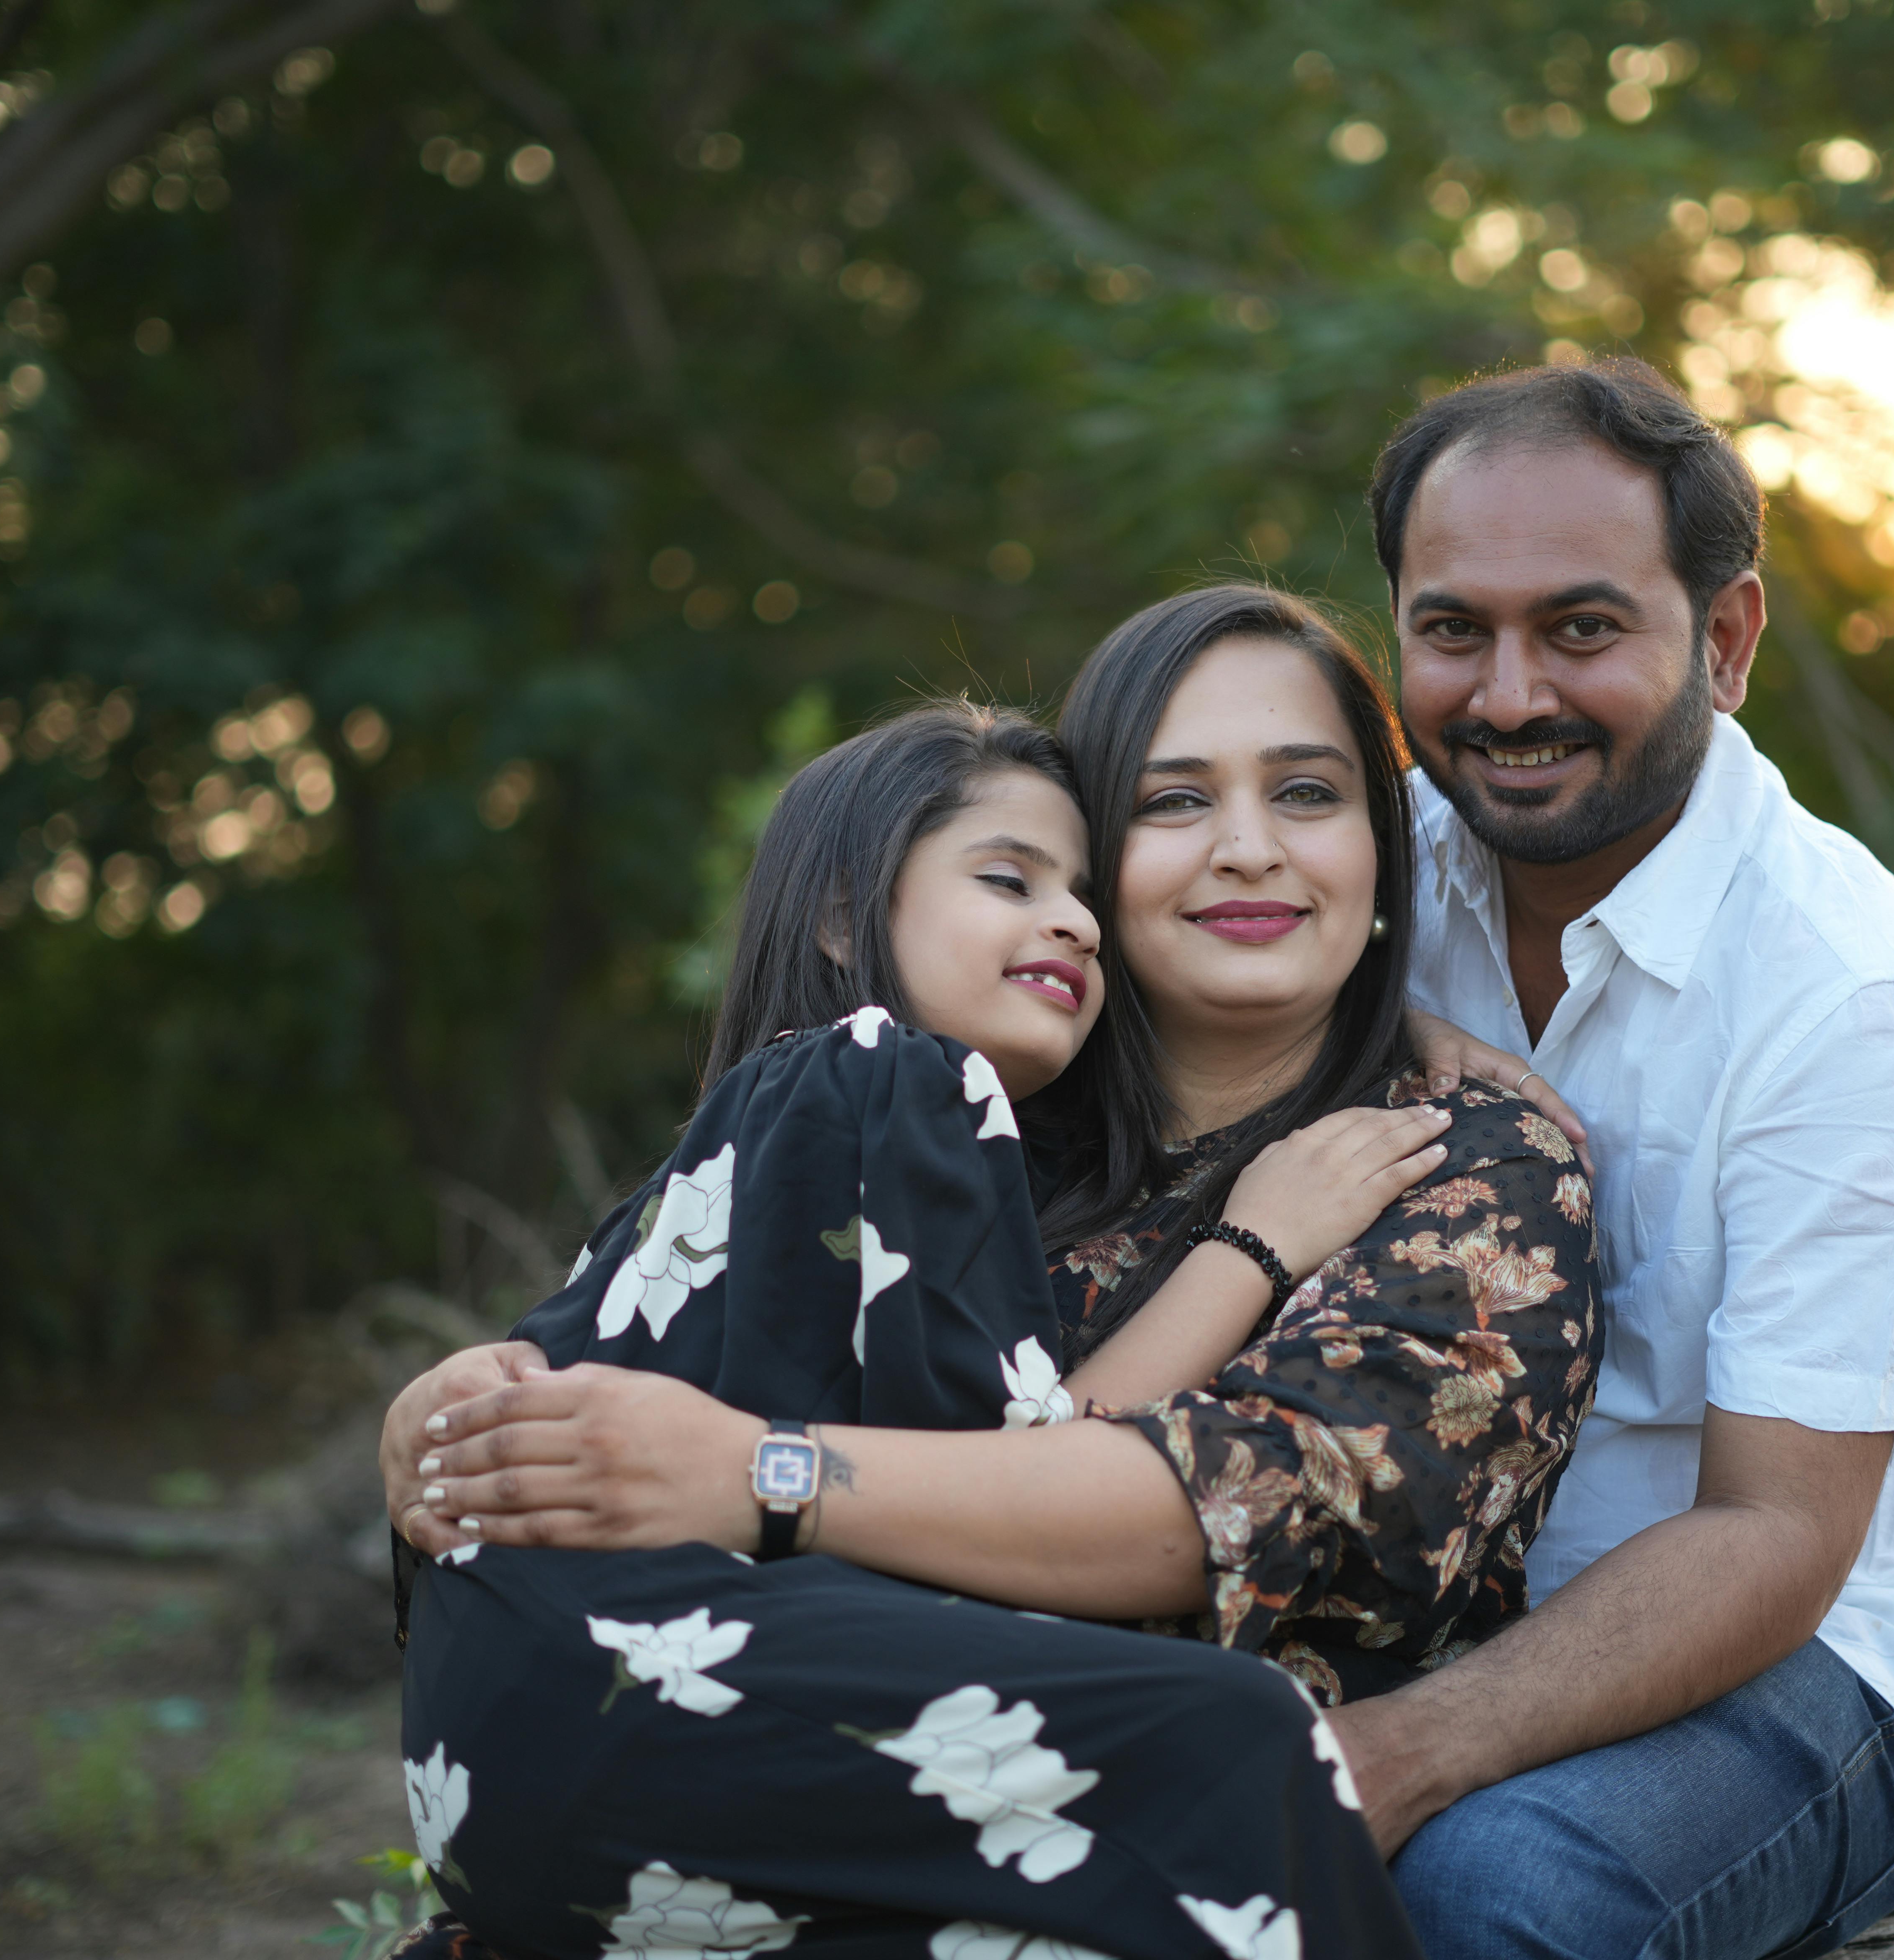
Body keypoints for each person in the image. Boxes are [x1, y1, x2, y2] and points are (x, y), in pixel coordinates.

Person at [388, 593, 1602, 1958]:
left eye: (1310, 796)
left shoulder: (1449, 1162)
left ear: (1387, 856)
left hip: (1026, 1855)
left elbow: (1242, 1504)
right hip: (788, 1775)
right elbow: (629, 1376)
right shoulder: (957, 1105)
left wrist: (752, 1470)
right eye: (1174, 803)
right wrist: (438, 1403)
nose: (1248, 848)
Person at [1309, 357, 1894, 1960]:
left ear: (1730, 640)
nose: (1507, 696)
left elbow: (1779, 1532)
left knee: (1494, 1896)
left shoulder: (1846, 987)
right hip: (1403, 1600)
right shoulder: (1358, 878)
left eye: (1585, 628)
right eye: (1453, 629)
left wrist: (1390, 1757)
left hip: (1806, 1650)